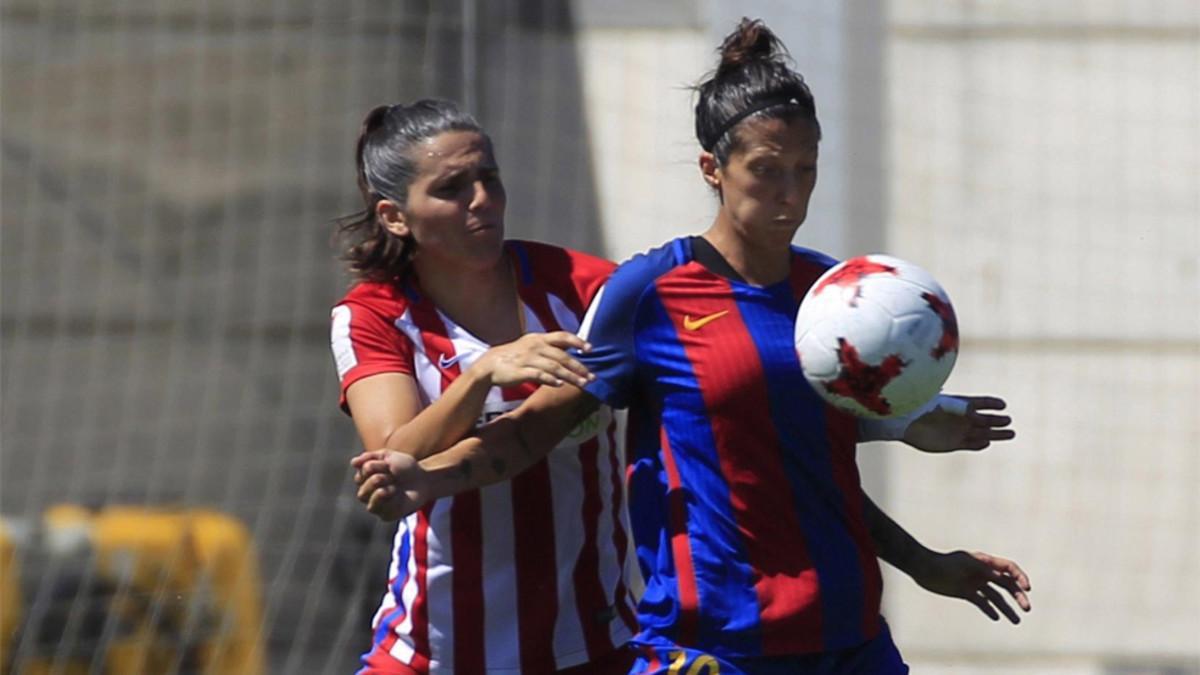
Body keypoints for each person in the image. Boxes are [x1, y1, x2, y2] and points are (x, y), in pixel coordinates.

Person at [354, 19, 1033, 674]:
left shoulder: (832, 296)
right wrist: (429, 478)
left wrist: (922, 544)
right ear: (713, 167)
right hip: (715, 647)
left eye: (806, 167)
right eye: (767, 169)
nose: (790, 194)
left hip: (850, 636)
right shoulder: (650, 294)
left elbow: (812, 471)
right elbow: (530, 432)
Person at [330, 100, 638, 674]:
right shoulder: (372, 316)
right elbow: (394, 456)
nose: (482, 201)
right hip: (435, 647)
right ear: (395, 217)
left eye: (488, 178)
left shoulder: (585, 287)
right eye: (452, 188)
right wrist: (481, 375)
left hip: (588, 642)